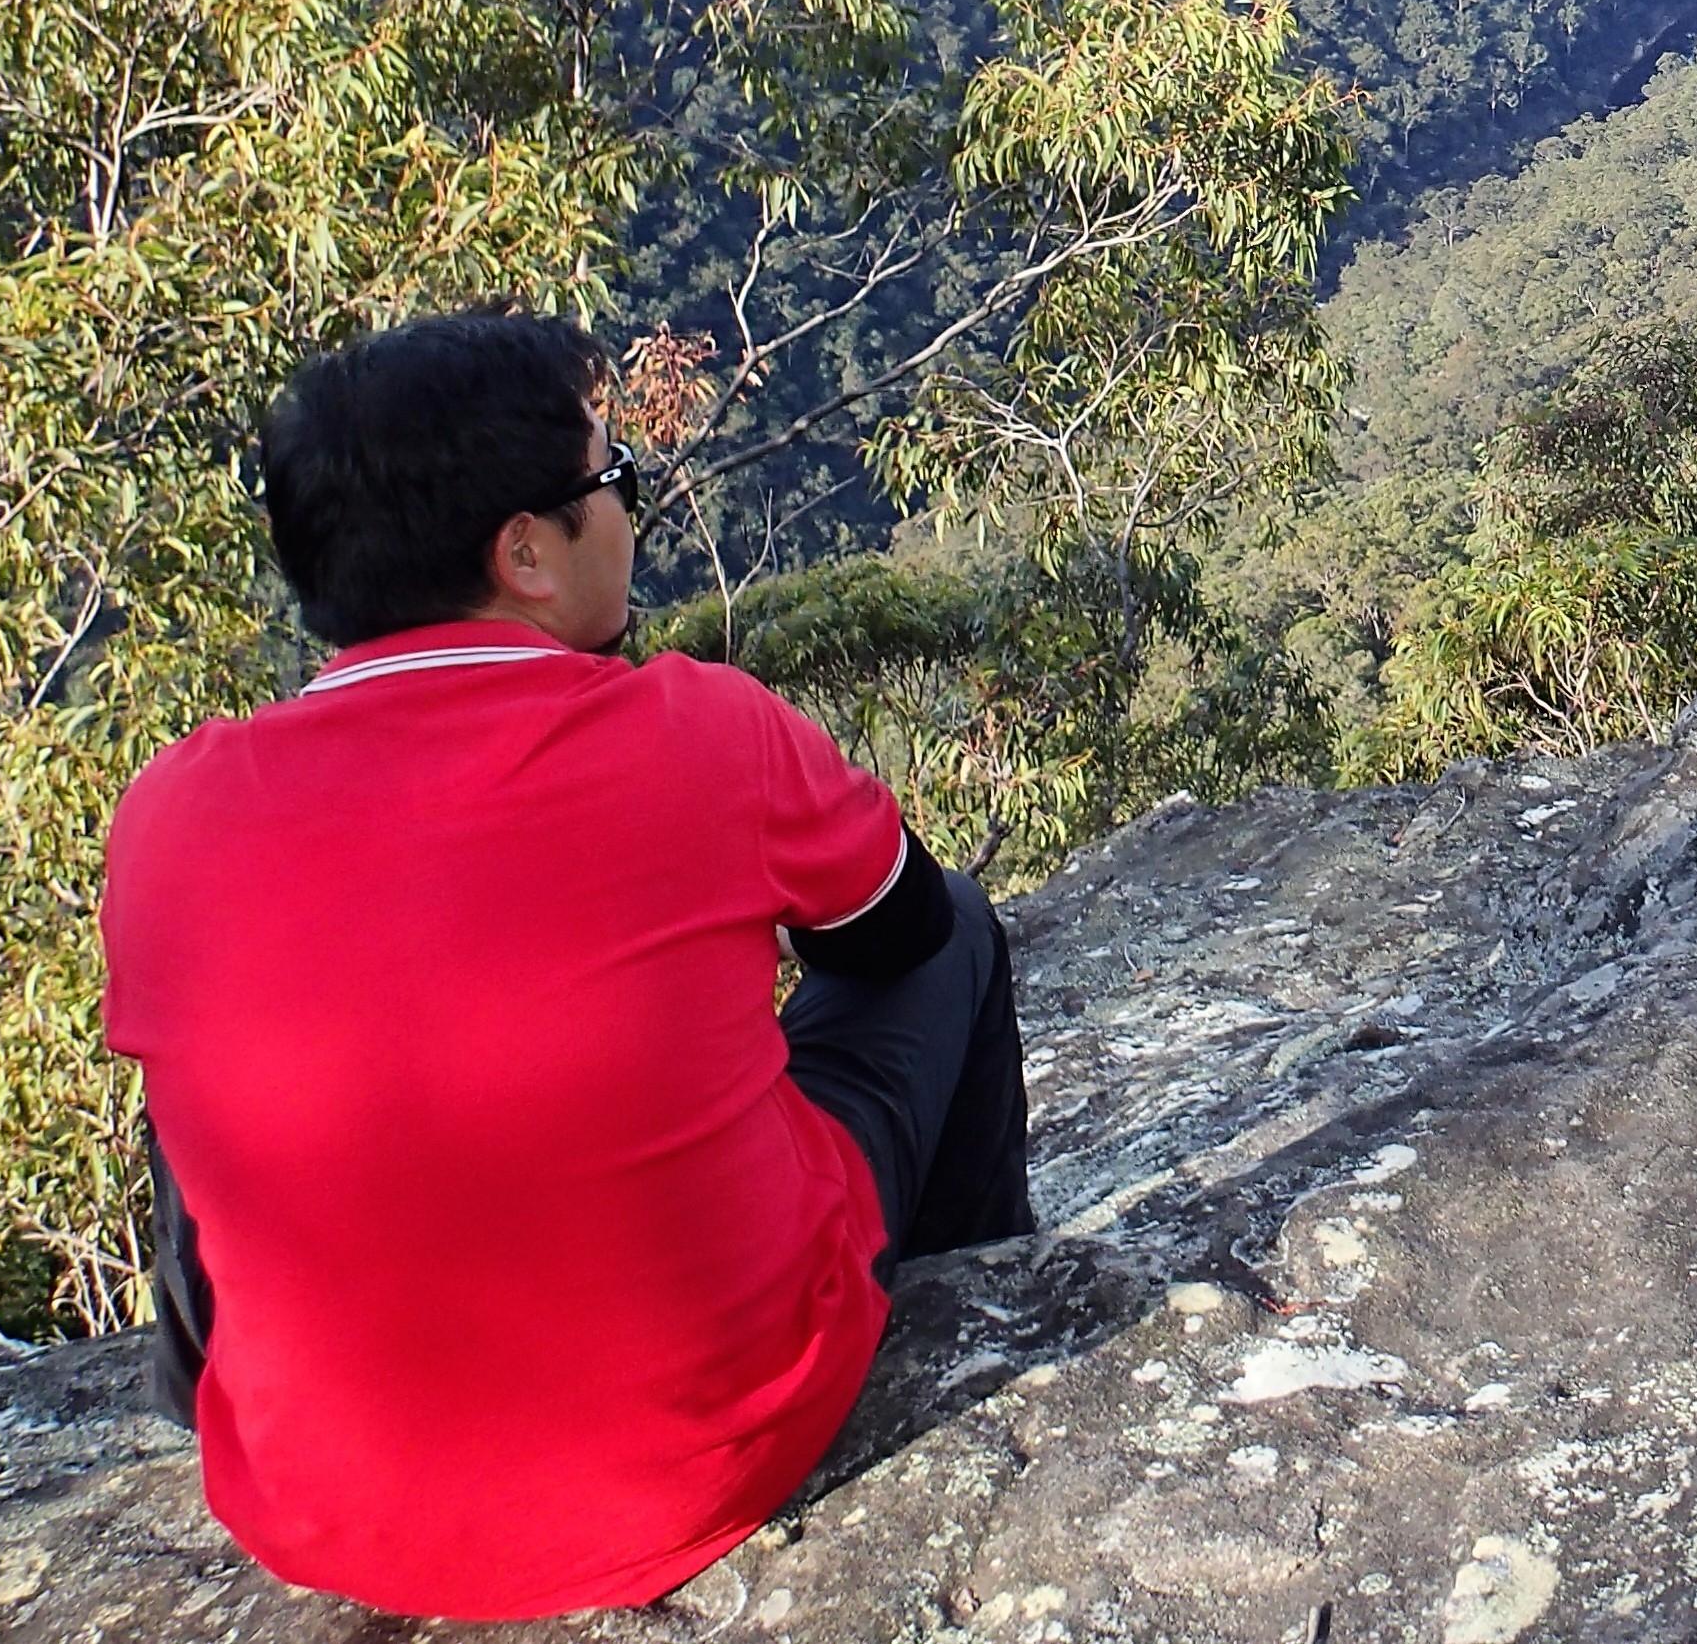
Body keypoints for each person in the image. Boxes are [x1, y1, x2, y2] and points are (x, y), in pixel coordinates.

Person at [102, 309, 1035, 1622]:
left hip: (314, 1508)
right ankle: (968, 1292)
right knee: (962, 916)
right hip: (705, 1457)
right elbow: (895, 935)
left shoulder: (169, 812)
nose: (633, 517)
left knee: (208, 1058)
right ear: (526, 551)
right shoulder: (701, 730)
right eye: (618, 484)